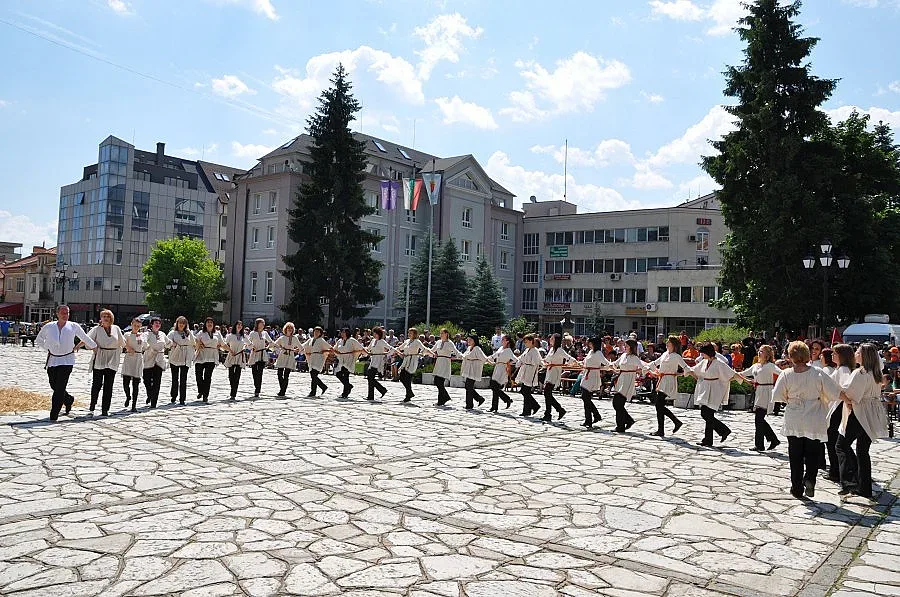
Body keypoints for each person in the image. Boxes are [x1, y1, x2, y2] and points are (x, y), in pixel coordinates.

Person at [771, 340, 842, 499]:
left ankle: (796, 487)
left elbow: (778, 395)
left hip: (794, 416)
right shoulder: (818, 372)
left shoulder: (786, 374)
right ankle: (810, 478)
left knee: (795, 454)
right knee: (812, 452)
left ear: (791, 356)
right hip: (814, 415)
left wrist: (792, 399)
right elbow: (832, 392)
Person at [836, 343, 891, 500]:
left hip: (860, 412)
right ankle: (864, 487)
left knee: (841, 445)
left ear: (864, 355)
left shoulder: (861, 373)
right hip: (872, 411)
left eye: (858, 351)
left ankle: (849, 481)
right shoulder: (876, 373)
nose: (855, 353)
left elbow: (851, 393)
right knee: (862, 450)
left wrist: (839, 392)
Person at [35, 305, 97, 420]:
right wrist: (47, 349)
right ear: (57, 314)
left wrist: (95, 347)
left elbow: (85, 337)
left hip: (67, 360)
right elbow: (39, 340)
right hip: (52, 360)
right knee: (54, 385)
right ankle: (68, 399)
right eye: (63, 313)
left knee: (59, 388)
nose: (65, 315)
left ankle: (54, 414)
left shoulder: (74, 326)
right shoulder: (49, 326)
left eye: (67, 313)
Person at [691, 342, 737, 446]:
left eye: (703, 353)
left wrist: (742, 378)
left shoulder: (719, 363)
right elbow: (694, 369)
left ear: (708, 353)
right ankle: (718, 433)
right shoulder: (704, 362)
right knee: (706, 414)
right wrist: (684, 371)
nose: (702, 355)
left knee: (707, 414)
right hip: (705, 389)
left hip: (715, 389)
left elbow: (730, 373)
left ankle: (712, 437)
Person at [738, 345, 781, 452]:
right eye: (759, 351)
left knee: (759, 419)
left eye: (762, 351)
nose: (759, 353)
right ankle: (772, 439)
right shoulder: (755, 366)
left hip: (766, 392)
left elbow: (782, 373)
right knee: (759, 419)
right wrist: (731, 374)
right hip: (758, 392)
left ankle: (761, 444)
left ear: (767, 355)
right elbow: (742, 374)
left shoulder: (770, 366)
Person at [86, 309, 126, 416]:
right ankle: (92, 406)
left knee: (109, 386)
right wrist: (93, 347)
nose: (106, 318)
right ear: (101, 319)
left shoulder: (116, 328)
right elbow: (87, 341)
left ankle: (105, 409)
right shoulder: (96, 329)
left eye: (108, 316)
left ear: (111, 318)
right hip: (100, 358)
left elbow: (122, 343)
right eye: (104, 316)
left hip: (112, 359)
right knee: (97, 384)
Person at [826, 344, 855, 483]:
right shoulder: (839, 368)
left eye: (835, 353)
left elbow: (845, 388)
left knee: (834, 440)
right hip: (836, 406)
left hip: (839, 407)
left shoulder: (843, 369)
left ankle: (836, 471)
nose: (832, 355)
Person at [648, 336, 687, 437]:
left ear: (673, 345)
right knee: (659, 406)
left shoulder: (676, 356)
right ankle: (672, 424)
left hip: (668, 381)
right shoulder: (665, 354)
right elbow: (655, 363)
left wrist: (681, 374)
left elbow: (686, 368)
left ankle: (667, 426)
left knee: (659, 405)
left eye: (668, 342)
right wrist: (645, 367)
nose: (666, 343)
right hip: (662, 380)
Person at [610, 339, 646, 432]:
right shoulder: (623, 355)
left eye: (626, 345)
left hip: (627, 381)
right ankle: (628, 420)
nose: (624, 347)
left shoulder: (634, 357)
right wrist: (608, 365)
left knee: (618, 403)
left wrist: (650, 371)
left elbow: (643, 366)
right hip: (621, 379)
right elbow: (615, 364)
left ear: (631, 347)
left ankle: (621, 426)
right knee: (617, 404)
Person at [579, 337, 610, 428]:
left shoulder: (598, 353)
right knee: (586, 398)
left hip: (592, 376)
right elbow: (585, 362)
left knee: (585, 397)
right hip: (587, 374)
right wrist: (581, 363)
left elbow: (606, 363)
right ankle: (594, 416)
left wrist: (604, 368)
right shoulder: (590, 352)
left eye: (591, 343)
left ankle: (590, 419)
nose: (589, 344)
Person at [541, 333, 572, 422]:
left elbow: (568, 358)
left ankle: (549, 413)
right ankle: (558, 410)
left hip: (555, 373)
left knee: (547, 392)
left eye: (552, 338)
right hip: (549, 372)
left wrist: (576, 363)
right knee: (547, 393)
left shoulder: (560, 350)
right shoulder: (551, 349)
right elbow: (546, 360)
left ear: (555, 340)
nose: (550, 339)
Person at [194, 317, 222, 402]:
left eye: (211, 322)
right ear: (205, 324)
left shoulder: (217, 334)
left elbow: (222, 343)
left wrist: (230, 350)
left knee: (208, 377)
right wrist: (199, 343)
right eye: (208, 322)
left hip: (211, 356)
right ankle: (201, 390)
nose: (209, 324)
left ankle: (205, 395)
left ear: (213, 324)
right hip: (201, 355)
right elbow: (195, 340)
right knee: (198, 375)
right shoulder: (201, 333)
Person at [167, 316, 193, 405]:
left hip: (185, 357)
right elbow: (167, 342)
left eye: (183, 323)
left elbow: (193, 342)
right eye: (180, 323)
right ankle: (173, 395)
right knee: (175, 378)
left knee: (183, 379)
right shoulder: (173, 333)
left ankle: (182, 398)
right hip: (175, 356)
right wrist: (173, 344)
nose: (181, 325)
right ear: (177, 323)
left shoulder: (188, 333)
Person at [431, 329, 462, 406]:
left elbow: (456, 351)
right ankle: (443, 399)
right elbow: (432, 350)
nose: (441, 334)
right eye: (440, 333)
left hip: (445, 363)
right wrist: (424, 352)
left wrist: (463, 357)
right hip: (439, 362)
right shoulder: (438, 342)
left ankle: (442, 400)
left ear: (446, 334)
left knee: (439, 382)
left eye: (442, 333)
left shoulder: (450, 343)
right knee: (437, 381)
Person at [142, 317, 167, 408]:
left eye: (159, 323)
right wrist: (147, 346)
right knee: (146, 380)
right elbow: (143, 341)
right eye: (155, 323)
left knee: (157, 382)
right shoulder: (147, 333)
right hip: (149, 359)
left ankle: (154, 402)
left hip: (159, 360)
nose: (157, 324)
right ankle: (150, 394)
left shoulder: (162, 334)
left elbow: (168, 342)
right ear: (151, 324)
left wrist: (174, 344)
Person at [515, 334, 543, 417]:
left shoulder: (535, 351)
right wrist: (517, 362)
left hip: (530, 371)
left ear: (531, 341)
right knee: (524, 391)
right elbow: (521, 358)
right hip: (525, 370)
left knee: (525, 391)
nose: (525, 343)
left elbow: (536, 361)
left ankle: (531, 408)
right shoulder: (527, 350)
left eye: (526, 342)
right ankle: (531, 408)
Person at [486, 334, 515, 412]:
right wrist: (487, 358)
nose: (501, 341)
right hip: (497, 368)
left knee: (494, 386)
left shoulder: (509, 350)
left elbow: (515, 360)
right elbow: (494, 355)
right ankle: (503, 401)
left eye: (503, 340)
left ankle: (496, 405)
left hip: (502, 369)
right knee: (494, 387)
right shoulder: (501, 348)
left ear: (507, 341)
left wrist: (508, 363)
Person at [274, 322, 303, 397]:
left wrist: (297, 350)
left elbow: (300, 347)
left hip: (290, 356)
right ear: (285, 329)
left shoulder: (294, 338)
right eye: (288, 328)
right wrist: (279, 348)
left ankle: (283, 391)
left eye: (291, 328)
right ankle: (282, 388)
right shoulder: (282, 338)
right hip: (282, 355)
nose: (289, 329)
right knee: (279, 374)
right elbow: (275, 345)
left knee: (286, 374)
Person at [397, 328, 425, 402]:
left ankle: (408, 395)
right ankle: (410, 393)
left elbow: (423, 349)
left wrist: (421, 354)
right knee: (402, 377)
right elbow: (400, 348)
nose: (409, 334)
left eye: (411, 333)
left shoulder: (417, 341)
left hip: (412, 360)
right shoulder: (407, 341)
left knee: (407, 377)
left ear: (414, 334)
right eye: (408, 333)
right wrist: (396, 351)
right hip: (406, 360)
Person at [122, 318, 144, 412]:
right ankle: (128, 396)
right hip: (129, 358)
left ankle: (134, 405)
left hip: (138, 359)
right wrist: (128, 347)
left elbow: (145, 345)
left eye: (138, 326)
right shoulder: (127, 334)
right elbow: (122, 343)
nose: (136, 327)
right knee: (126, 382)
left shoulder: (141, 335)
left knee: (136, 383)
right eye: (135, 325)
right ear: (131, 324)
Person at [334, 328, 364, 399]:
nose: (342, 333)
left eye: (344, 332)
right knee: (340, 374)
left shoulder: (352, 340)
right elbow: (335, 349)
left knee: (344, 374)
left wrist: (366, 352)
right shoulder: (340, 341)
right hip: (342, 359)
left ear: (347, 333)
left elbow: (360, 347)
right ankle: (347, 388)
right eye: (341, 332)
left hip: (349, 359)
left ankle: (346, 391)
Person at [223, 321, 249, 400]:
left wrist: (246, 348)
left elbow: (250, 344)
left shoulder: (243, 336)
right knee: (231, 375)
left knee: (237, 375)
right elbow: (224, 344)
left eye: (241, 325)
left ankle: (233, 393)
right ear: (235, 326)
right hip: (232, 355)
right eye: (238, 324)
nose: (239, 326)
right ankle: (232, 388)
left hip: (239, 357)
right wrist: (229, 350)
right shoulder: (230, 335)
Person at [461, 335, 488, 410]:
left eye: (470, 340)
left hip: (474, 369)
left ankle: (469, 404)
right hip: (469, 369)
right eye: (468, 339)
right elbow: (465, 355)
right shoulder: (469, 348)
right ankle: (479, 399)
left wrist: (491, 361)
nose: (468, 341)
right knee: (468, 386)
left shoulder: (477, 348)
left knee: (469, 386)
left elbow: (483, 358)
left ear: (474, 340)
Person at [303, 327, 330, 397]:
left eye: (318, 331)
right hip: (312, 358)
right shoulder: (311, 340)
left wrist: (324, 351)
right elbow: (303, 345)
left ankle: (313, 391)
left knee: (314, 374)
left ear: (320, 333)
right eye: (315, 331)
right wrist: (296, 348)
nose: (316, 332)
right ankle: (322, 387)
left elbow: (330, 348)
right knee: (313, 375)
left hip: (319, 358)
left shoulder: (321, 340)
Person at [247, 318, 271, 398]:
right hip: (254, 354)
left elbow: (270, 341)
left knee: (260, 373)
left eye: (264, 323)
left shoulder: (265, 333)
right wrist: (252, 347)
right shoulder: (252, 333)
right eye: (262, 323)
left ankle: (258, 389)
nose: (263, 324)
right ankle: (256, 385)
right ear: (257, 324)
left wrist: (268, 347)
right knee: (254, 372)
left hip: (262, 354)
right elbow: (248, 342)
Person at [365, 327, 390, 401]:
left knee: (370, 377)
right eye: (374, 333)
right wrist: (363, 350)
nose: (374, 335)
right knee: (370, 378)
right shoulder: (373, 341)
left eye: (375, 333)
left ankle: (382, 390)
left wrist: (388, 353)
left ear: (379, 334)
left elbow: (389, 348)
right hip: (373, 361)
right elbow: (368, 348)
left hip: (378, 361)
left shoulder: (382, 341)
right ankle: (371, 395)